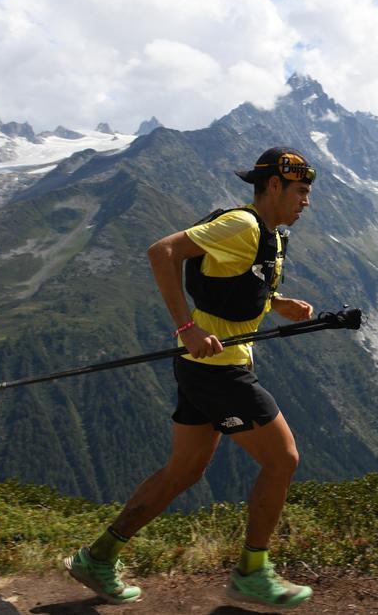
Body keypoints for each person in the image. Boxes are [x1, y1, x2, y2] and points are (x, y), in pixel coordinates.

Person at [64, 146, 317, 609]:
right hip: (218, 371)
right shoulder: (242, 224)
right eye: (301, 191)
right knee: (283, 460)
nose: (306, 201)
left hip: (207, 367)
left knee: (185, 470)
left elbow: (238, 282)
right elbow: (163, 252)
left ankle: (97, 558)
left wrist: (277, 303)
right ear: (275, 185)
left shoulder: (271, 236)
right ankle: (252, 572)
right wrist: (186, 326)